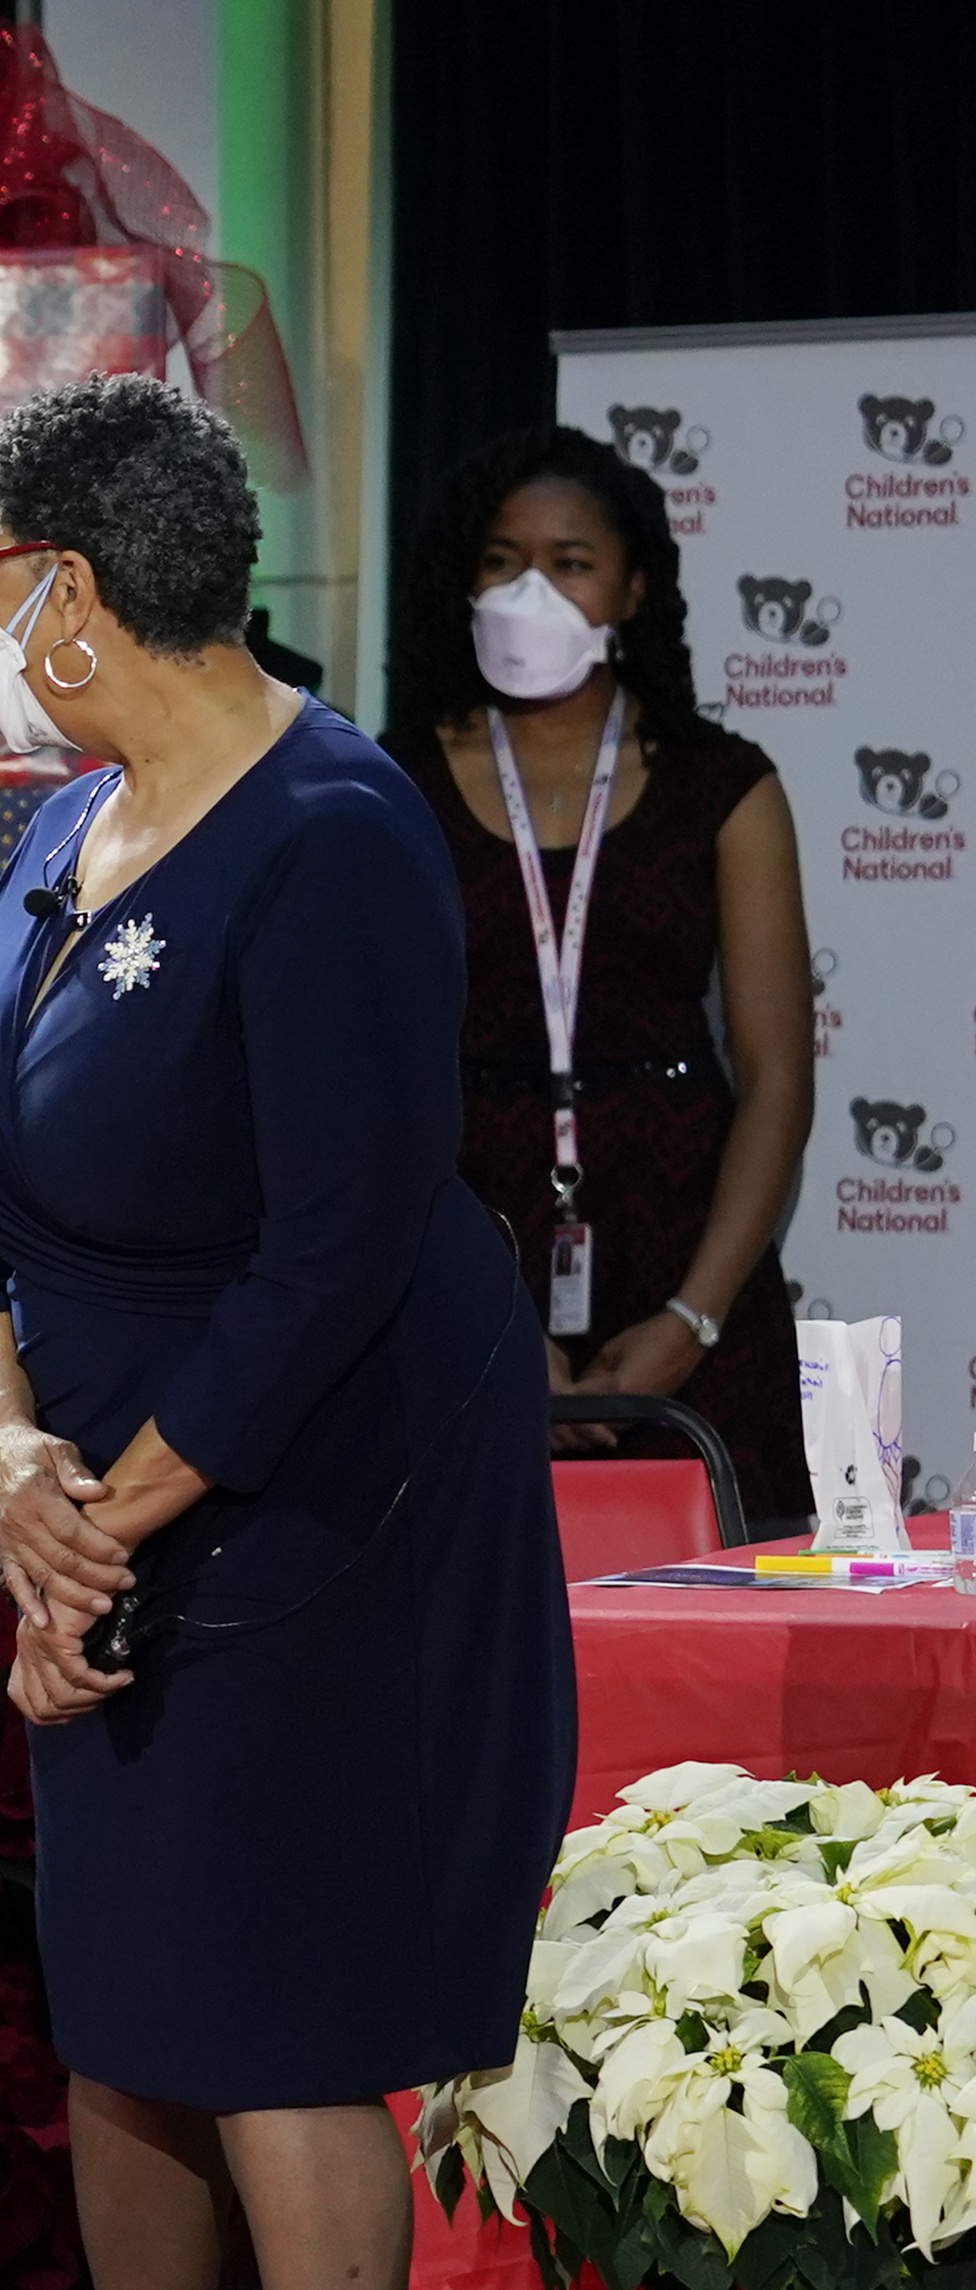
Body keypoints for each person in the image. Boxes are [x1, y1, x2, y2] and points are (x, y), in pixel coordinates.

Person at [0, 372, 575, 2290]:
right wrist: (9, 1463)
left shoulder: (339, 836)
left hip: (322, 1498)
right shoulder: (76, 825)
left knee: (281, 2025)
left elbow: (334, 1258)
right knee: (134, 2009)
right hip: (96, 1498)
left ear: (76, 596)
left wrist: (109, 1510)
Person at [384, 424, 814, 1530]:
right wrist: (479, 1309)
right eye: (500, 560)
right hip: (464, 1241)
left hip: (687, 1251)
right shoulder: (393, 782)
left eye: (569, 562)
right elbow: (373, 1083)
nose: (531, 589)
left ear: (629, 590)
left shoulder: (724, 784)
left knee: (719, 1639)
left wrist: (695, 1317)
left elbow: (774, 1078)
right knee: (468, 1632)